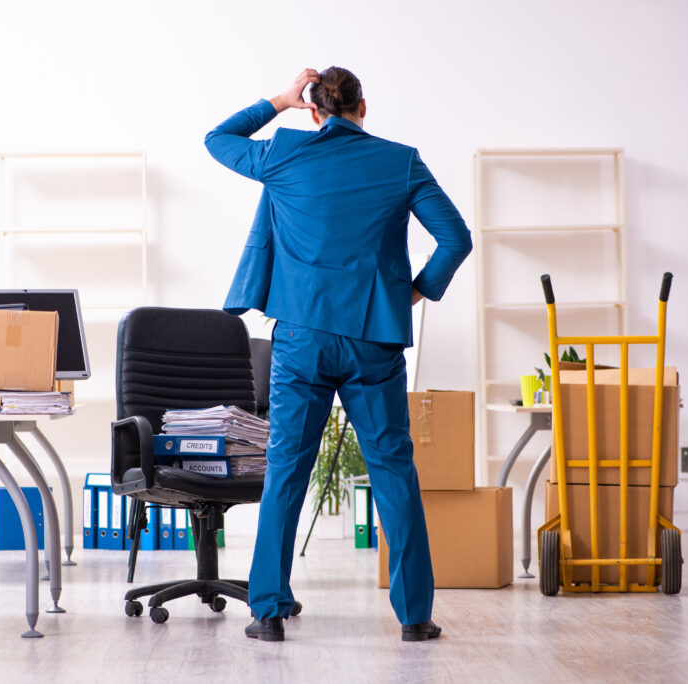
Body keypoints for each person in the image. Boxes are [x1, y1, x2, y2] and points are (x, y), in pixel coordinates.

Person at [204, 67, 471, 642]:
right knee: (393, 470)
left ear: (315, 110)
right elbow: (456, 239)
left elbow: (217, 139)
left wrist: (279, 101)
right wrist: (413, 293)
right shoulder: (401, 162)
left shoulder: (284, 154)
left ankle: (268, 612)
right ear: (362, 108)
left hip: (302, 338)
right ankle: (415, 617)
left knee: (286, 469)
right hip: (373, 338)